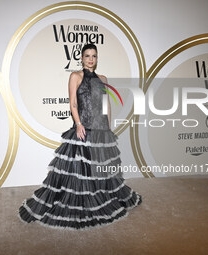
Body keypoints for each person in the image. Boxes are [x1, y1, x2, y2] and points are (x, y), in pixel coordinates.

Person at [17, 43, 142, 230]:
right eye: (87, 56)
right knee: (80, 172)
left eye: (94, 56)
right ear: (81, 58)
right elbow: (73, 103)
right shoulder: (75, 76)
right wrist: (78, 124)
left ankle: (103, 197)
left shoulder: (103, 78)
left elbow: (106, 106)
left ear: (97, 58)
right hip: (83, 128)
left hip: (100, 130)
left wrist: (108, 129)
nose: (91, 59)